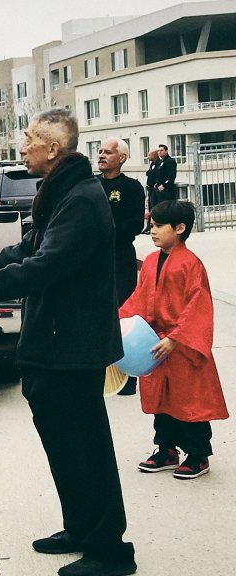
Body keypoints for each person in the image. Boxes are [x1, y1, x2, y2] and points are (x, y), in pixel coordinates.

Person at [0, 109, 135, 576]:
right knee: (63, 444)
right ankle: (81, 528)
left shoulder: (82, 199)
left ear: (53, 148)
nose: (22, 146)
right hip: (53, 343)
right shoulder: (62, 192)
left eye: (29, 139)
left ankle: (110, 550)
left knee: (85, 447)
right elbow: (26, 249)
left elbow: (45, 266)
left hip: (72, 346)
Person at [120, 200, 228, 480]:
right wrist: (120, 322)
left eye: (158, 226)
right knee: (161, 401)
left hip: (181, 346)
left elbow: (198, 306)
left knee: (189, 402)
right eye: (151, 225)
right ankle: (166, 449)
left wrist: (176, 338)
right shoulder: (151, 261)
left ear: (179, 228)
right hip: (154, 343)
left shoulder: (191, 264)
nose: (152, 231)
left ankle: (198, 455)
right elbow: (139, 299)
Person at [97, 137, 145, 396]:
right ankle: (99, 376)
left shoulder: (132, 188)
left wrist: (102, 232)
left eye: (107, 152)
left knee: (123, 313)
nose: (101, 155)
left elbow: (134, 225)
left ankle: (126, 378)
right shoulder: (90, 186)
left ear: (122, 158)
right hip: (93, 260)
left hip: (120, 258)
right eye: (100, 151)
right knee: (96, 316)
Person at [142, 150, 159, 234]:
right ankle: (148, 225)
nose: (148, 157)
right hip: (150, 189)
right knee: (150, 207)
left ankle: (152, 225)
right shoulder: (152, 164)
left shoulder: (158, 164)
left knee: (154, 207)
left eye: (149, 155)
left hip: (154, 190)